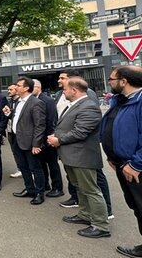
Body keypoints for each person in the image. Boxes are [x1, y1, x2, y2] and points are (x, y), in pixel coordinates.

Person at [47, 77, 110, 239]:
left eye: (65, 89)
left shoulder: (89, 106)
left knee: (90, 189)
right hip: (72, 156)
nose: (63, 91)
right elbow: (69, 126)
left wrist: (58, 140)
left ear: (74, 90)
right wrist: (56, 134)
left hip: (82, 156)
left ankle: (100, 225)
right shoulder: (76, 105)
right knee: (80, 187)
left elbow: (80, 132)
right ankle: (85, 215)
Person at [100, 66, 142, 257]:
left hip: (135, 167)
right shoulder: (120, 100)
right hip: (121, 164)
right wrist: (112, 156)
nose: (109, 82)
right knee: (136, 206)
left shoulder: (139, 102)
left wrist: (135, 164)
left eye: (111, 79)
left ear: (123, 81)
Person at [3, 77, 46, 205]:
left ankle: (39, 193)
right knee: (23, 167)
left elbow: (40, 125)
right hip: (17, 139)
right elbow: (19, 118)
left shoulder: (36, 103)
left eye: (19, 85)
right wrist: (8, 113)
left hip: (30, 142)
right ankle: (29, 189)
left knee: (35, 168)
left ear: (27, 88)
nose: (16, 87)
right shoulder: (18, 102)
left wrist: (36, 143)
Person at [33, 79, 64, 198]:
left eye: (33, 87)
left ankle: (57, 187)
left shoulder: (48, 101)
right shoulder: (35, 100)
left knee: (52, 164)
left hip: (48, 138)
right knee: (41, 164)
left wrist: (49, 137)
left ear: (38, 87)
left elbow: (51, 120)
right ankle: (45, 184)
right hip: (39, 139)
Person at [6, 84, 22, 179]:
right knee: (15, 151)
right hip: (10, 130)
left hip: (19, 131)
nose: (8, 91)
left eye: (11, 89)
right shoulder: (9, 101)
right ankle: (19, 169)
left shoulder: (20, 101)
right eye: (8, 89)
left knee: (22, 151)